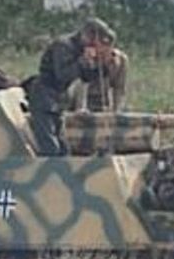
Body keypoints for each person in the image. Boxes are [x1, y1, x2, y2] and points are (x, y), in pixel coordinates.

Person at [25, 18, 121, 156]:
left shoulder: (80, 50)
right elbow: (62, 75)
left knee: (64, 148)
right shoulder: (63, 46)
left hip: (59, 100)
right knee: (50, 147)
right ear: (87, 35)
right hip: (44, 97)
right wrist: (82, 61)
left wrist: (104, 66)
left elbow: (86, 77)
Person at [67, 44, 128, 113]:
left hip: (101, 98)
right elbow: (81, 83)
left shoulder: (120, 60)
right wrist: (81, 108)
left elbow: (119, 88)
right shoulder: (85, 56)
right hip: (76, 96)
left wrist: (116, 110)